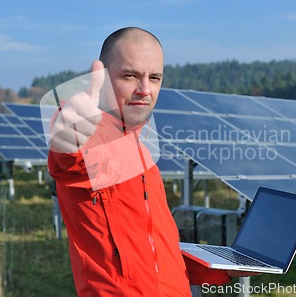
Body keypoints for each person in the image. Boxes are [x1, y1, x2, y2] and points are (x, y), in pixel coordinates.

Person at [48, 27, 250, 297]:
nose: (145, 89)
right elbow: (69, 162)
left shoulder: (142, 149)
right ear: (102, 78)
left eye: (154, 77)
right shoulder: (93, 141)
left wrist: (223, 270)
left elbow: (156, 255)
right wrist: (68, 135)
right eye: (129, 75)